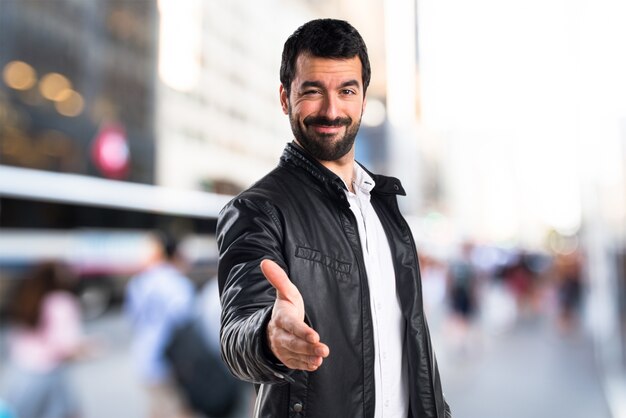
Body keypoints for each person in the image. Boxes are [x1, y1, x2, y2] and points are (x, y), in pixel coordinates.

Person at [217, 18, 451, 418]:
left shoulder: (385, 207)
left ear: (362, 99)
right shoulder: (257, 210)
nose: (331, 109)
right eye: (312, 91)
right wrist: (268, 338)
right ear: (285, 97)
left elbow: (414, 341)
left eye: (346, 90)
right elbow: (239, 328)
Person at [2, 261, 90, 418]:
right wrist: (90, 349)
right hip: (49, 374)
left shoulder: (26, 297)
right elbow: (67, 346)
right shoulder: (61, 301)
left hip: (22, 373)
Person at [124, 232, 195, 418]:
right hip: (170, 361)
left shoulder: (138, 282)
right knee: (179, 410)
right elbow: (185, 322)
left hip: (144, 355)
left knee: (157, 409)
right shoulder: (177, 283)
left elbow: (133, 318)